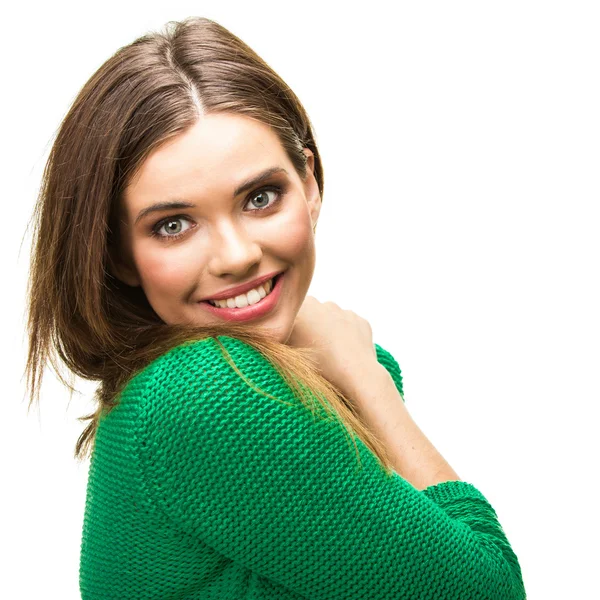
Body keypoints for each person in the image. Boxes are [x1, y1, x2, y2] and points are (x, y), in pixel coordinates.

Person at [24, 16, 527, 600]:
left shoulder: (192, 388)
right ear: (118, 253)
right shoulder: (203, 395)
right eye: (174, 225)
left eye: (260, 198)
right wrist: (364, 374)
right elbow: (488, 591)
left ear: (308, 181)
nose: (237, 256)